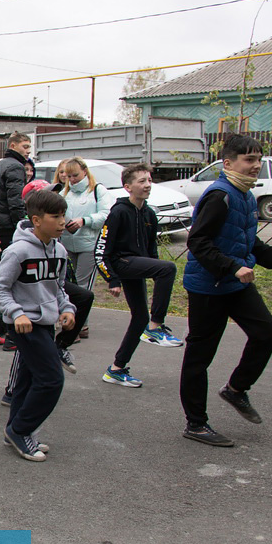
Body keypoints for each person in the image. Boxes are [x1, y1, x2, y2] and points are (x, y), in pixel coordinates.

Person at [178, 135, 272, 447]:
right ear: (228, 163)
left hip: (235, 284)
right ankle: (196, 424)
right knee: (200, 356)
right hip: (208, 287)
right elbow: (197, 242)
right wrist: (232, 266)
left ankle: (236, 389)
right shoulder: (219, 196)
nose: (255, 165)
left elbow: (252, 245)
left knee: (267, 332)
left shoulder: (246, 196)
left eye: (258, 159)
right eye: (249, 159)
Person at [0, 190, 76, 462]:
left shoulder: (59, 250)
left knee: (27, 381)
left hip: (46, 324)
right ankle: (22, 430)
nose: (62, 221)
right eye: (55, 216)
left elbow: (58, 288)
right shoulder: (18, 251)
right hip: (25, 326)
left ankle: (13, 430)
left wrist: (67, 308)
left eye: (63, 215)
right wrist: (16, 314)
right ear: (37, 220)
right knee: (52, 380)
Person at [95, 163, 182, 389]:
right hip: (121, 264)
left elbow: (151, 250)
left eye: (149, 180)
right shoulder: (118, 212)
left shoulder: (149, 214)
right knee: (168, 268)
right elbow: (101, 251)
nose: (147, 185)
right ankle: (155, 327)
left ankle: (116, 369)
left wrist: (153, 269)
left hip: (138, 266)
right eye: (141, 181)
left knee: (139, 317)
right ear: (128, 187)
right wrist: (112, 279)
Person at [0, 131, 32, 348]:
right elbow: (15, 201)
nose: (28, 151)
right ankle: (9, 333)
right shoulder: (14, 166)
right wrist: (24, 229)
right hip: (6, 228)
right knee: (10, 279)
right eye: (25, 147)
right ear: (13, 145)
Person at [58, 156, 113, 338]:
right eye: (69, 176)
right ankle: (74, 320)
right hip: (68, 243)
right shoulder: (65, 193)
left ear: (85, 172)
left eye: (76, 175)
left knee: (83, 286)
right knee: (70, 285)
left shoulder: (98, 190)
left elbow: (106, 214)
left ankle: (81, 325)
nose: (73, 179)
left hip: (89, 244)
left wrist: (85, 221)